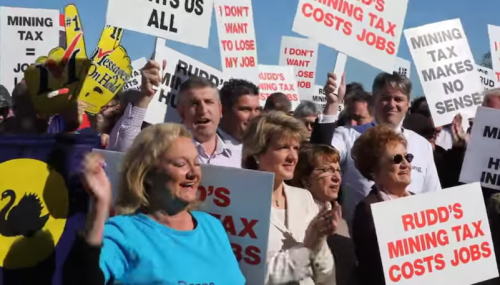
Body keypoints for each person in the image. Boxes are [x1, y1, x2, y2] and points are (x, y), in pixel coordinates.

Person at [64, 123, 244, 285]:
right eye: (181, 164)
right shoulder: (123, 232)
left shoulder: (211, 226)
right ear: (148, 174)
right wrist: (100, 204)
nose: (193, 173)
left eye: (196, 163)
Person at [312, 72, 440, 228]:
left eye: (398, 99)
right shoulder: (348, 136)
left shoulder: (422, 145)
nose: (392, 104)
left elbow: (433, 198)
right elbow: (317, 157)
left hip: (411, 241)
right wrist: (332, 105)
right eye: (385, 98)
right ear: (374, 101)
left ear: (408, 104)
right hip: (362, 238)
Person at [242, 111, 335, 285]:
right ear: (256, 153)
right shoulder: (240, 204)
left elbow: (324, 271)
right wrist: (307, 248)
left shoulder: (304, 198)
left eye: (296, 148)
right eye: (283, 147)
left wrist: (320, 241)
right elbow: (249, 276)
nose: (292, 157)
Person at [350, 125, 414, 285]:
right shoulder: (368, 210)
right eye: (397, 159)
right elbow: (372, 269)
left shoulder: (421, 202)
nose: (405, 164)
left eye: (408, 157)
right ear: (373, 170)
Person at [290, 143, 357, 285]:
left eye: (338, 171)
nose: (337, 178)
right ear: (305, 179)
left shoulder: (340, 219)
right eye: (328, 170)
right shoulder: (294, 218)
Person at [217, 78, 261, 159]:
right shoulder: (205, 146)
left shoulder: (263, 148)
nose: (253, 117)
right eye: (245, 109)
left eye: (257, 110)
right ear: (223, 110)